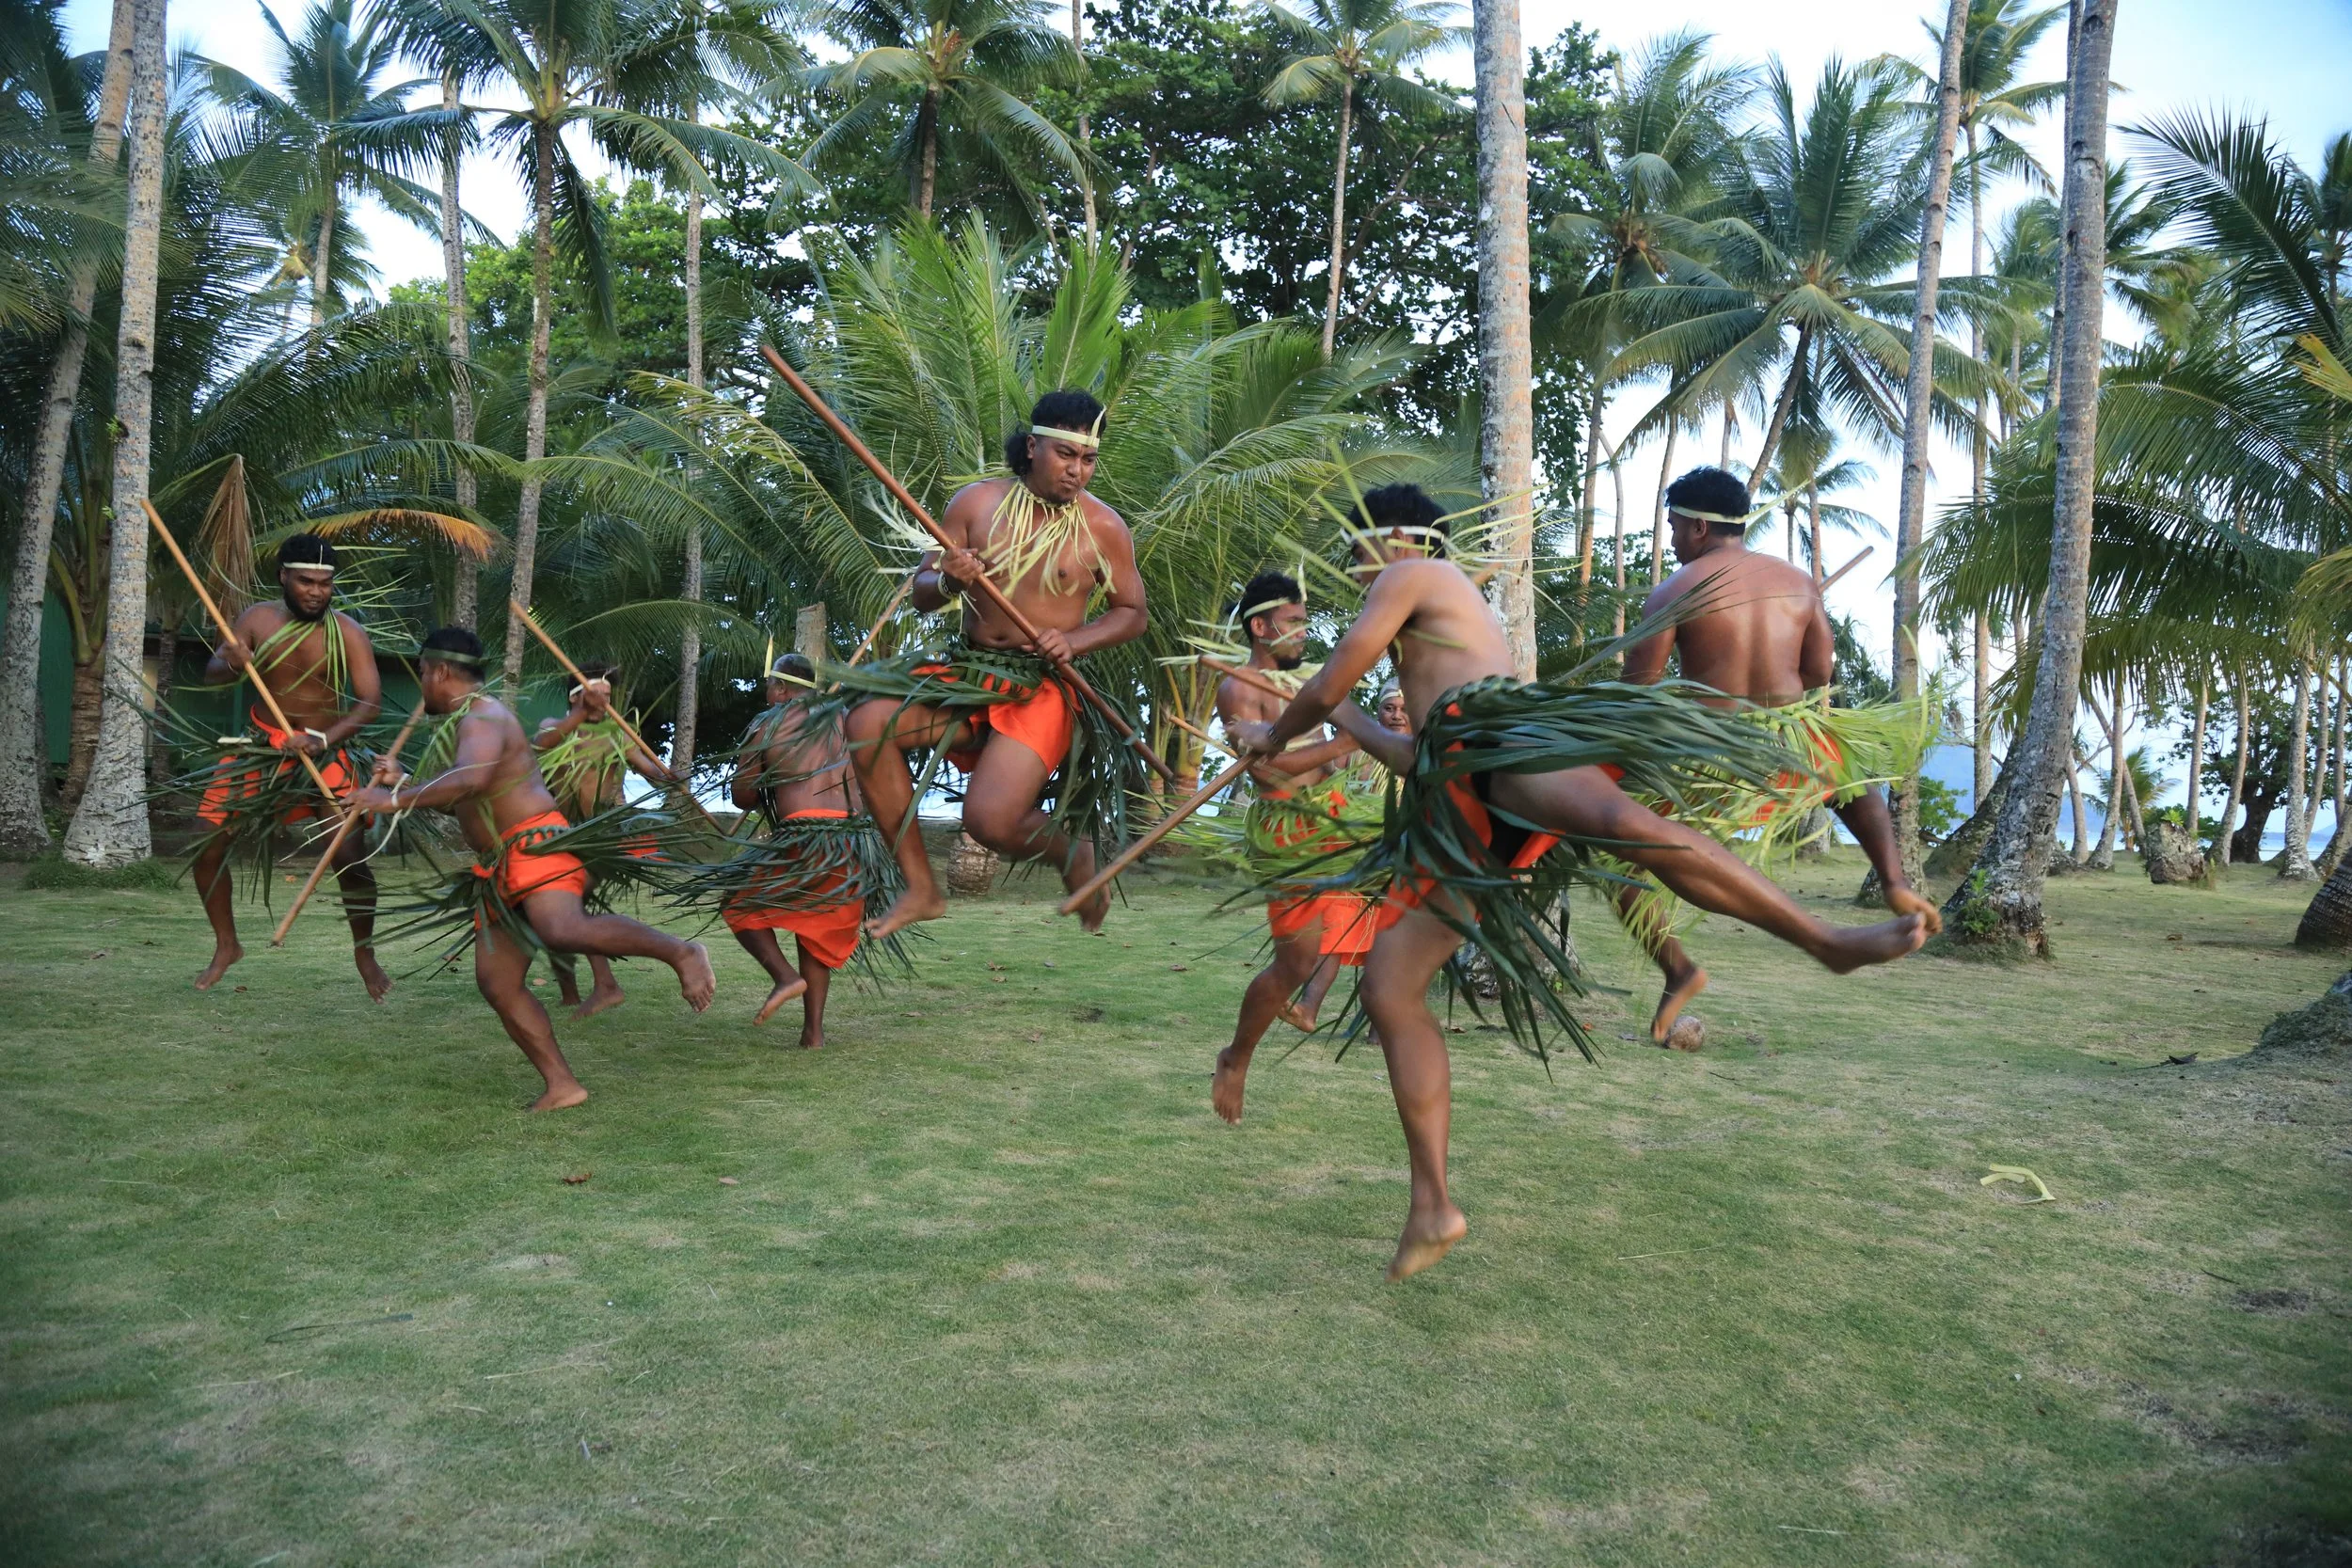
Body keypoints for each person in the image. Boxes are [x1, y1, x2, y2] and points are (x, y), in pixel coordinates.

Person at [1229, 483, 1929, 1280]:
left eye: (1355, 555)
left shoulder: (1410, 574)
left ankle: (1827, 939)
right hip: (1457, 785)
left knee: (1636, 829)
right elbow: (1411, 751)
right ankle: (1432, 1205)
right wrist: (1345, 724)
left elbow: (1319, 688)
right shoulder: (1416, 622)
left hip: (1500, 736)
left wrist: (1275, 728)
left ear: (1392, 538)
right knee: (1392, 986)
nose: (1357, 577)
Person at [1614, 466, 1943, 1043]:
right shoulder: (1798, 581)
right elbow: (1818, 672)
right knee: (1844, 768)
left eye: (1672, 526)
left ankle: (1679, 969)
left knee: (1617, 857)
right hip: (1791, 745)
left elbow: (1639, 690)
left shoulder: (1676, 589)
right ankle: (1893, 879)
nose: (1670, 539)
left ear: (1695, 526)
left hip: (1712, 754)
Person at [349, 626, 715, 1112]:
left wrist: (392, 798)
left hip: (535, 846)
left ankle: (683, 952)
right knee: (498, 982)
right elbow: (464, 795)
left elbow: (471, 779)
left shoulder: (483, 715)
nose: (422, 687)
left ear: (438, 671)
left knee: (560, 926)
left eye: (421, 675)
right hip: (500, 866)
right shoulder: (467, 723)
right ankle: (562, 1084)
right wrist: (406, 784)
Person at [829, 390, 1152, 938]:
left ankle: (1073, 853)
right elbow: (923, 592)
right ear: (1032, 447)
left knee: (990, 820)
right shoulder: (976, 505)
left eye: (1088, 460)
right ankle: (921, 887)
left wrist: (1076, 641)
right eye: (1065, 455)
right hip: (970, 670)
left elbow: (1131, 613)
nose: (1077, 471)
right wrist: (950, 577)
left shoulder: (1103, 528)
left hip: (1042, 685)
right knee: (866, 725)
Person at [1209, 570, 1379, 1124]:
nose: (1305, 632)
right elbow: (1268, 768)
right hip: (1292, 832)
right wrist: (1346, 740)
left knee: (1404, 910)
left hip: (1339, 819)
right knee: (1297, 960)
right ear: (1260, 627)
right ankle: (1236, 1057)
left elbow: (1341, 745)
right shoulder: (1239, 686)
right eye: (1294, 623)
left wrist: (1351, 747)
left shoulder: (1309, 682)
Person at [186, 534, 388, 999]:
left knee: (350, 858)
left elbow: (369, 704)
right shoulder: (256, 619)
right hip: (262, 748)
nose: (316, 592)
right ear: (284, 577)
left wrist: (321, 739)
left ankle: (364, 950)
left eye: (325, 583)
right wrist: (232, 662)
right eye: (305, 582)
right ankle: (226, 944)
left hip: (326, 751)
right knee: (205, 844)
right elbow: (213, 672)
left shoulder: (349, 632)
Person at [711, 654, 900, 1046]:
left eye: (769, 686)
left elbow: (743, 796)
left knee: (737, 905)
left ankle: (784, 977)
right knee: (812, 927)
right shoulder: (849, 718)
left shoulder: (768, 723)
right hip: (852, 840)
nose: (767, 694)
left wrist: (765, 775)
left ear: (781, 687)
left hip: (804, 833)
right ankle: (812, 1033)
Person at [530, 662, 675, 1019]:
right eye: (599, 697)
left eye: (610, 698)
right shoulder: (556, 727)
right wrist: (579, 716)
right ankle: (570, 990)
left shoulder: (616, 733)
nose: (606, 705)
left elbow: (647, 768)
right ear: (578, 697)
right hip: (560, 832)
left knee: (569, 907)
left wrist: (668, 777)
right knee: (551, 914)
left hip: (600, 833)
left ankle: (606, 984)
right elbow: (541, 744)